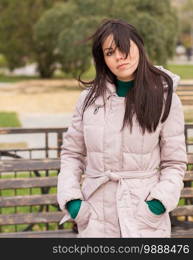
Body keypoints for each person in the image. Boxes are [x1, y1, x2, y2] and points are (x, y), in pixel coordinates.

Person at [57, 18, 187, 238]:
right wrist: (74, 203)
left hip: (143, 217)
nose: (119, 57)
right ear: (103, 59)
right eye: (109, 52)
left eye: (124, 48)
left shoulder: (165, 99)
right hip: (96, 216)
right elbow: (72, 154)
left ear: (138, 46)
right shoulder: (88, 100)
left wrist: (157, 204)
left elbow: (174, 162)